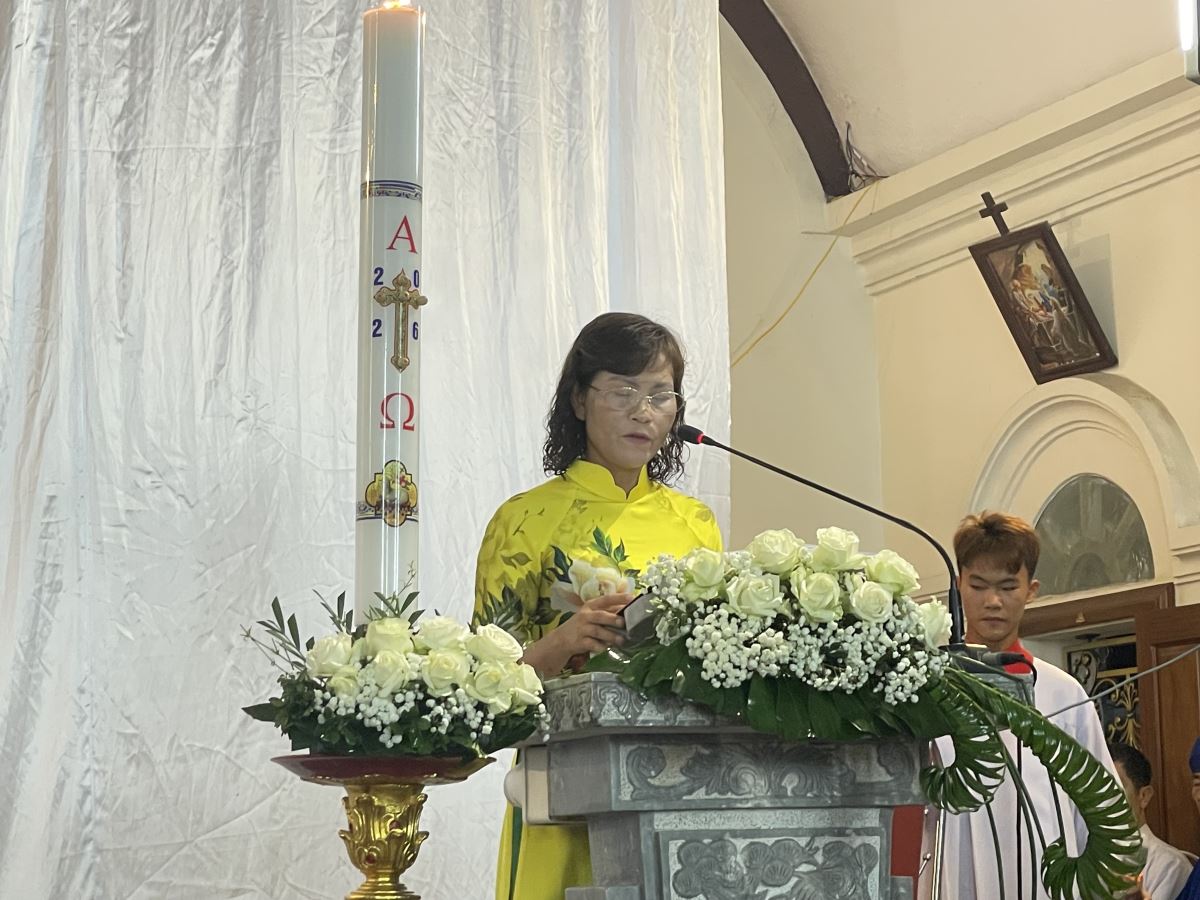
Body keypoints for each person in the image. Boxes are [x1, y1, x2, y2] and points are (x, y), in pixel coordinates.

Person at [473, 312, 723, 900]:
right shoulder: (525, 520)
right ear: (580, 400)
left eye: (660, 394)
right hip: (563, 793)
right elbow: (480, 692)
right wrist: (563, 642)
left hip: (683, 790)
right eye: (623, 391)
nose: (644, 412)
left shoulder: (696, 523)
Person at [938, 511, 1123, 900]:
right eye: (978, 585)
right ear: (958, 586)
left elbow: (1101, 802)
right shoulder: (930, 688)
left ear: (1031, 590)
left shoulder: (1063, 693)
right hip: (954, 874)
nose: (993, 601)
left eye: (1008, 587)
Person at [1108, 742, 1193, 900]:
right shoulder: (1078, 859)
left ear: (1144, 796)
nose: (1103, 798)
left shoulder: (1169, 866)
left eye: (1114, 786)